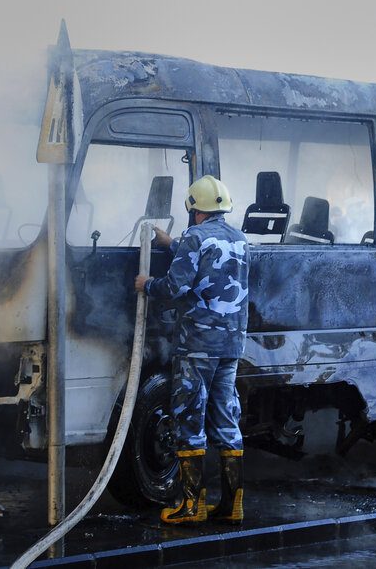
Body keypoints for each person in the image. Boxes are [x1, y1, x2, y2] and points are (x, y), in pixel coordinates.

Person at [133, 175, 249, 524]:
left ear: (193, 209)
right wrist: (173, 244)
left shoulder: (196, 238)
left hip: (198, 345)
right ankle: (232, 506)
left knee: (189, 420)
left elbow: (176, 286)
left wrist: (147, 284)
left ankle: (191, 506)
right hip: (231, 345)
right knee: (227, 420)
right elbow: (210, 265)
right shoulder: (240, 239)